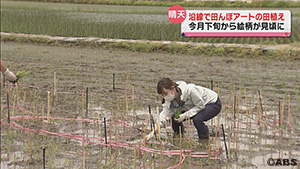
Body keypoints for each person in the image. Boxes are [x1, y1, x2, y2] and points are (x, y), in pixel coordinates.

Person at [146, 78, 222, 142]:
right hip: (192, 107)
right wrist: (152, 133)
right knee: (174, 118)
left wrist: (185, 115)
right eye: (162, 95)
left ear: (173, 88)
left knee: (197, 119)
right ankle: (179, 138)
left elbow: (200, 106)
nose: (165, 97)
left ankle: (204, 139)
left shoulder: (190, 90)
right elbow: (163, 117)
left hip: (212, 103)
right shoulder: (169, 100)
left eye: (166, 93)